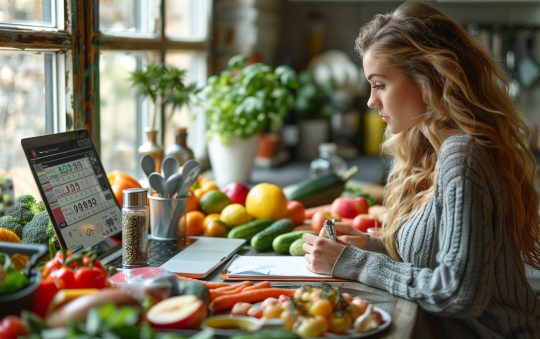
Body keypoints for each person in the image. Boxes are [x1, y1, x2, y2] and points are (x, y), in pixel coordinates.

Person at [302, 1, 540, 338]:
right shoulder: (434, 151)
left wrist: (352, 263)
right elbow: (438, 256)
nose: (371, 101)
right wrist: (371, 247)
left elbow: (457, 293)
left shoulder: (463, 157)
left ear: (426, 77)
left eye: (380, 84)